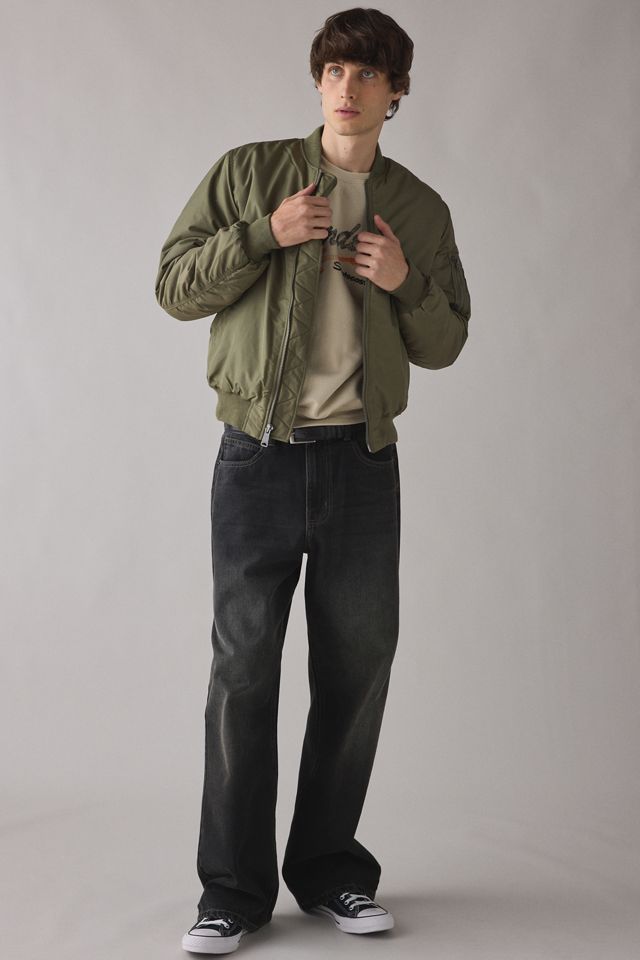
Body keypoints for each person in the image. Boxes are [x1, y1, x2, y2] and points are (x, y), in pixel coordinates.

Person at [155, 7, 471, 954]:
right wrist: (264, 233)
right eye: (334, 70)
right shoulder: (249, 174)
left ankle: (331, 871)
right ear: (317, 81)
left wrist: (405, 280)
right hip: (256, 457)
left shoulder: (418, 207)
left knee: (355, 673)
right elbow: (174, 286)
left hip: (362, 465)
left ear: (396, 92)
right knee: (242, 674)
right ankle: (231, 892)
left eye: (367, 74)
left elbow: (447, 341)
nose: (347, 87)